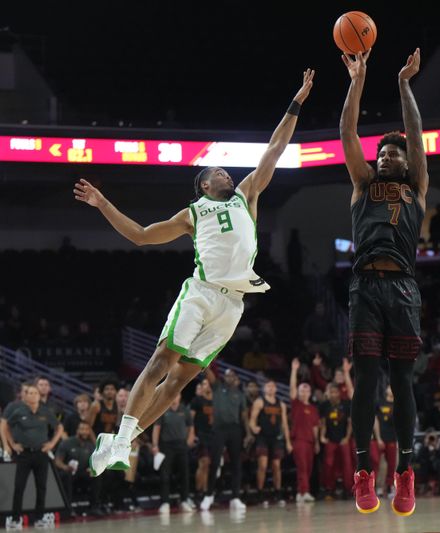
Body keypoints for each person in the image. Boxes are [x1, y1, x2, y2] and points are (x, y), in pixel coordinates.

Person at [79, 70, 315, 477]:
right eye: (216, 174)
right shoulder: (193, 212)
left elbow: (275, 149)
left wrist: (297, 101)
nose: (225, 174)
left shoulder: (247, 195)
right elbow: (139, 236)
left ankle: (120, 443)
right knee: (160, 362)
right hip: (202, 292)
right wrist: (102, 203)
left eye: (225, 172)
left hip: (234, 305)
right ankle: (120, 440)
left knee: (177, 385)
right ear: (203, 187)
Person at [340, 47, 427, 516]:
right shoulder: (362, 185)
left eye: (395, 152)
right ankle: (363, 472)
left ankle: (406, 472)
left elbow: (416, 134)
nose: (390, 155)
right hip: (365, 288)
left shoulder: (417, 185)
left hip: (404, 289)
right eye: (384, 152)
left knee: (403, 382)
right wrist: (358, 80)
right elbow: (346, 132)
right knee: (367, 384)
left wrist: (403, 84)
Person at [1, 382, 63, 529]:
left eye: (36, 393)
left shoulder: (45, 410)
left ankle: (39, 518)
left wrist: (52, 444)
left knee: (41, 486)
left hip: (41, 453)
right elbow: (5, 426)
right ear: (25, 395)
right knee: (19, 486)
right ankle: (16, 519)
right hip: (24, 453)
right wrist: (12, 444)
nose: (33, 395)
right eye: (30, 393)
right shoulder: (19, 410)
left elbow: (59, 427)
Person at [201, 367, 251, 511]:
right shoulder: (217, 387)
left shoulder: (240, 394)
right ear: (224, 377)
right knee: (215, 462)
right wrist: (206, 362)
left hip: (235, 430)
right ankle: (208, 495)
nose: (229, 378)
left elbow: (244, 416)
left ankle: (235, 497)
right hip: (219, 429)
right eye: (227, 375)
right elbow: (208, 373)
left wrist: (248, 433)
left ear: (235, 378)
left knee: (236, 464)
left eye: (232, 376)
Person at [249, 379, 289, 507]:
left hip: (276, 438)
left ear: (276, 389)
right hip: (263, 438)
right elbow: (252, 420)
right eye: (268, 386)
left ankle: (278, 493)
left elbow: (284, 424)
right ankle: (260, 493)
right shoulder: (260, 402)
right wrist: (254, 427)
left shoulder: (280, 404)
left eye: (273, 386)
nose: (271, 388)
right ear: (264, 389)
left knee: (277, 466)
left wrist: (288, 441)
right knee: (263, 466)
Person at [152, 396, 195, 513]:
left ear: (180, 396)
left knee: (184, 474)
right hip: (166, 446)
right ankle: (165, 502)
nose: (174, 397)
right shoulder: (163, 409)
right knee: (165, 475)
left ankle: (185, 500)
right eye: (173, 395)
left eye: (177, 395)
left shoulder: (185, 410)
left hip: (182, 445)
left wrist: (189, 441)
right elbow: (157, 428)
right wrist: (155, 445)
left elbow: (191, 427)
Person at [54, 420, 104, 517]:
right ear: (77, 430)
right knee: (66, 476)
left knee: (97, 475)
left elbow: (95, 461)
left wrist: (92, 468)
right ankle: (68, 509)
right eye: (82, 429)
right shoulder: (67, 443)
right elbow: (57, 461)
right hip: (69, 472)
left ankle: (94, 507)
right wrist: (65, 467)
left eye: (87, 430)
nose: (84, 432)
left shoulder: (90, 445)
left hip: (83, 472)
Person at [288, 358, 319, 503]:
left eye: (306, 389)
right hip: (298, 440)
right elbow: (292, 389)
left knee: (309, 468)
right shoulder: (296, 404)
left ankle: (301, 493)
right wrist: (294, 370)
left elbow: (315, 427)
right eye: (302, 390)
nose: (304, 392)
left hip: (310, 441)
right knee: (302, 468)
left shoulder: (313, 409)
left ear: (310, 392)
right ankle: (304, 491)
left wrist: (317, 442)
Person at [320, 382, 353, 497]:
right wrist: (322, 436)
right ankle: (329, 487)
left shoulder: (346, 404)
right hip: (330, 439)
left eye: (335, 392)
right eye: (330, 392)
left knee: (347, 464)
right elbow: (323, 423)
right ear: (327, 394)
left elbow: (350, 422)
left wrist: (347, 437)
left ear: (339, 393)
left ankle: (348, 488)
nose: (333, 394)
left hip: (344, 439)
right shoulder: (324, 405)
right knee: (328, 464)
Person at [371, 385, 398, 498]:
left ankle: (391, 486)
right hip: (380, 439)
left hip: (392, 438)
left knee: (392, 464)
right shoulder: (379, 403)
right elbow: (375, 420)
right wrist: (378, 437)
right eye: (389, 387)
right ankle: (377, 487)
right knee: (376, 463)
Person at [189, 378, 213, 499]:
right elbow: (190, 419)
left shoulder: (215, 401)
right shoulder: (197, 400)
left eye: (208, 384)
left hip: (213, 436)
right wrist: (191, 434)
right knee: (203, 463)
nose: (206, 386)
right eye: (204, 384)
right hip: (201, 435)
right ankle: (198, 492)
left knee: (209, 465)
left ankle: (205, 492)